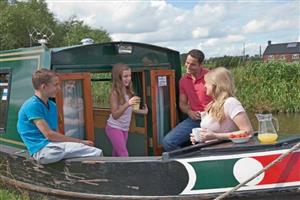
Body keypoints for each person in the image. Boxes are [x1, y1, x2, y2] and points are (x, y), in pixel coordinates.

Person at [17, 69, 102, 164]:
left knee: (88, 150)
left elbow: (55, 132)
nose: (59, 88)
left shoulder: (52, 106)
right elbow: (49, 135)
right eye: (55, 85)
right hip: (42, 151)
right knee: (95, 152)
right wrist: (80, 142)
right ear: (44, 87)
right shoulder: (32, 105)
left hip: (53, 147)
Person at [162, 49, 212, 151]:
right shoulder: (183, 80)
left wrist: (211, 109)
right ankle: (186, 161)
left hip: (213, 118)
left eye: (192, 64)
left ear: (201, 65)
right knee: (168, 142)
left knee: (210, 145)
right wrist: (190, 112)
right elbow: (182, 104)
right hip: (195, 120)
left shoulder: (211, 76)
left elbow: (223, 98)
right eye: (187, 63)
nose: (188, 66)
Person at [190, 67, 253, 144]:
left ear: (216, 85)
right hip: (209, 151)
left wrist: (216, 136)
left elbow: (248, 132)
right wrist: (200, 137)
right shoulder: (211, 104)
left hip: (224, 152)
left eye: (207, 83)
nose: (204, 86)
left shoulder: (231, 103)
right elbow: (210, 134)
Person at [105, 63, 148, 157]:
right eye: (125, 76)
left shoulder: (129, 91)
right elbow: (115, 115)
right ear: (118, 78)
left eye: (130, 75)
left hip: (124, 128)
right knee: (124, 154)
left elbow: (131, 109)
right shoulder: (114, 93)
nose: (128, 78)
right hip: (114, 127)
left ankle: (113, 171)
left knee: (117, 154)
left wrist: (143, 112)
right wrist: (128, 103)